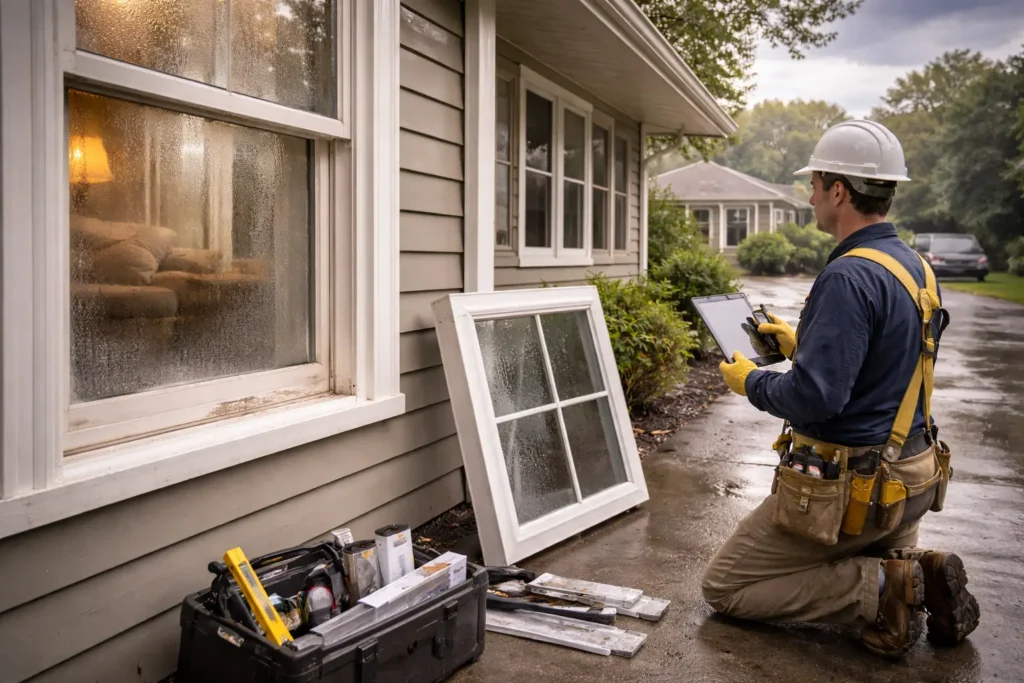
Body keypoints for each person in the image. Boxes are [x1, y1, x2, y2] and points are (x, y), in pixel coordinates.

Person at [703, 119, 980, 658]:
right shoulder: (914, 266)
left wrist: (752, 381)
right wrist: (801, 343)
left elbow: (816, 399)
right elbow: (885, 361)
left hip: (853, 495)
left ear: (839, 190)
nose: (809, 197)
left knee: (726, 586)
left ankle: (881, 587)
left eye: (814, 185)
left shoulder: (848, 277)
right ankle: (914, 569)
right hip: (910, 484)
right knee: (840, 555)